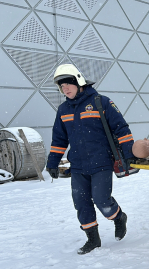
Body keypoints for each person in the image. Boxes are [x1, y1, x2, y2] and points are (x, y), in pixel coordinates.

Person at [46, 64, 134, 255]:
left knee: (102, 200)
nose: (65, 89)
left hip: (101, 162)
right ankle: (92, 240)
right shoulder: (63, 110)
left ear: (79, 82)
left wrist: (129, 153)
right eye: (62, 86)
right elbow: (59, 139)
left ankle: (118, 217)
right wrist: (53, 161)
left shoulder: (100, 102)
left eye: (68, 84)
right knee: (81, 202)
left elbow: (121, 129)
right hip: (78, 165)